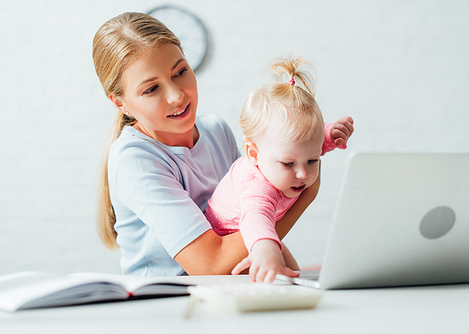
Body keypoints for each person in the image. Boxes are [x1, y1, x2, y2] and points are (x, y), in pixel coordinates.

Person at [92, 12, 325, 277]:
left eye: (180, 72)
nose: (176, 95)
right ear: (119, 103)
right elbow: (210, 265)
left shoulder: (216, 131)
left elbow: (252, 208)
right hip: (167, 302)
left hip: (228, 290)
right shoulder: (134, 158)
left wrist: (295, 276)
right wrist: (306, 196)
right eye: (151, 89)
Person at [205, 57, 354, 283]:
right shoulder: (257, 186)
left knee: (296, 277)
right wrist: (265, 250)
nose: (303, 173)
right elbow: (256, 217)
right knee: (278, 276)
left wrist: (330, 135)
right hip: (234, 239)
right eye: (288, 164)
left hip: (262, 235)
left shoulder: (289, 152)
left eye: (313, 161)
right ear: (253, 154)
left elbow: (305, 144)